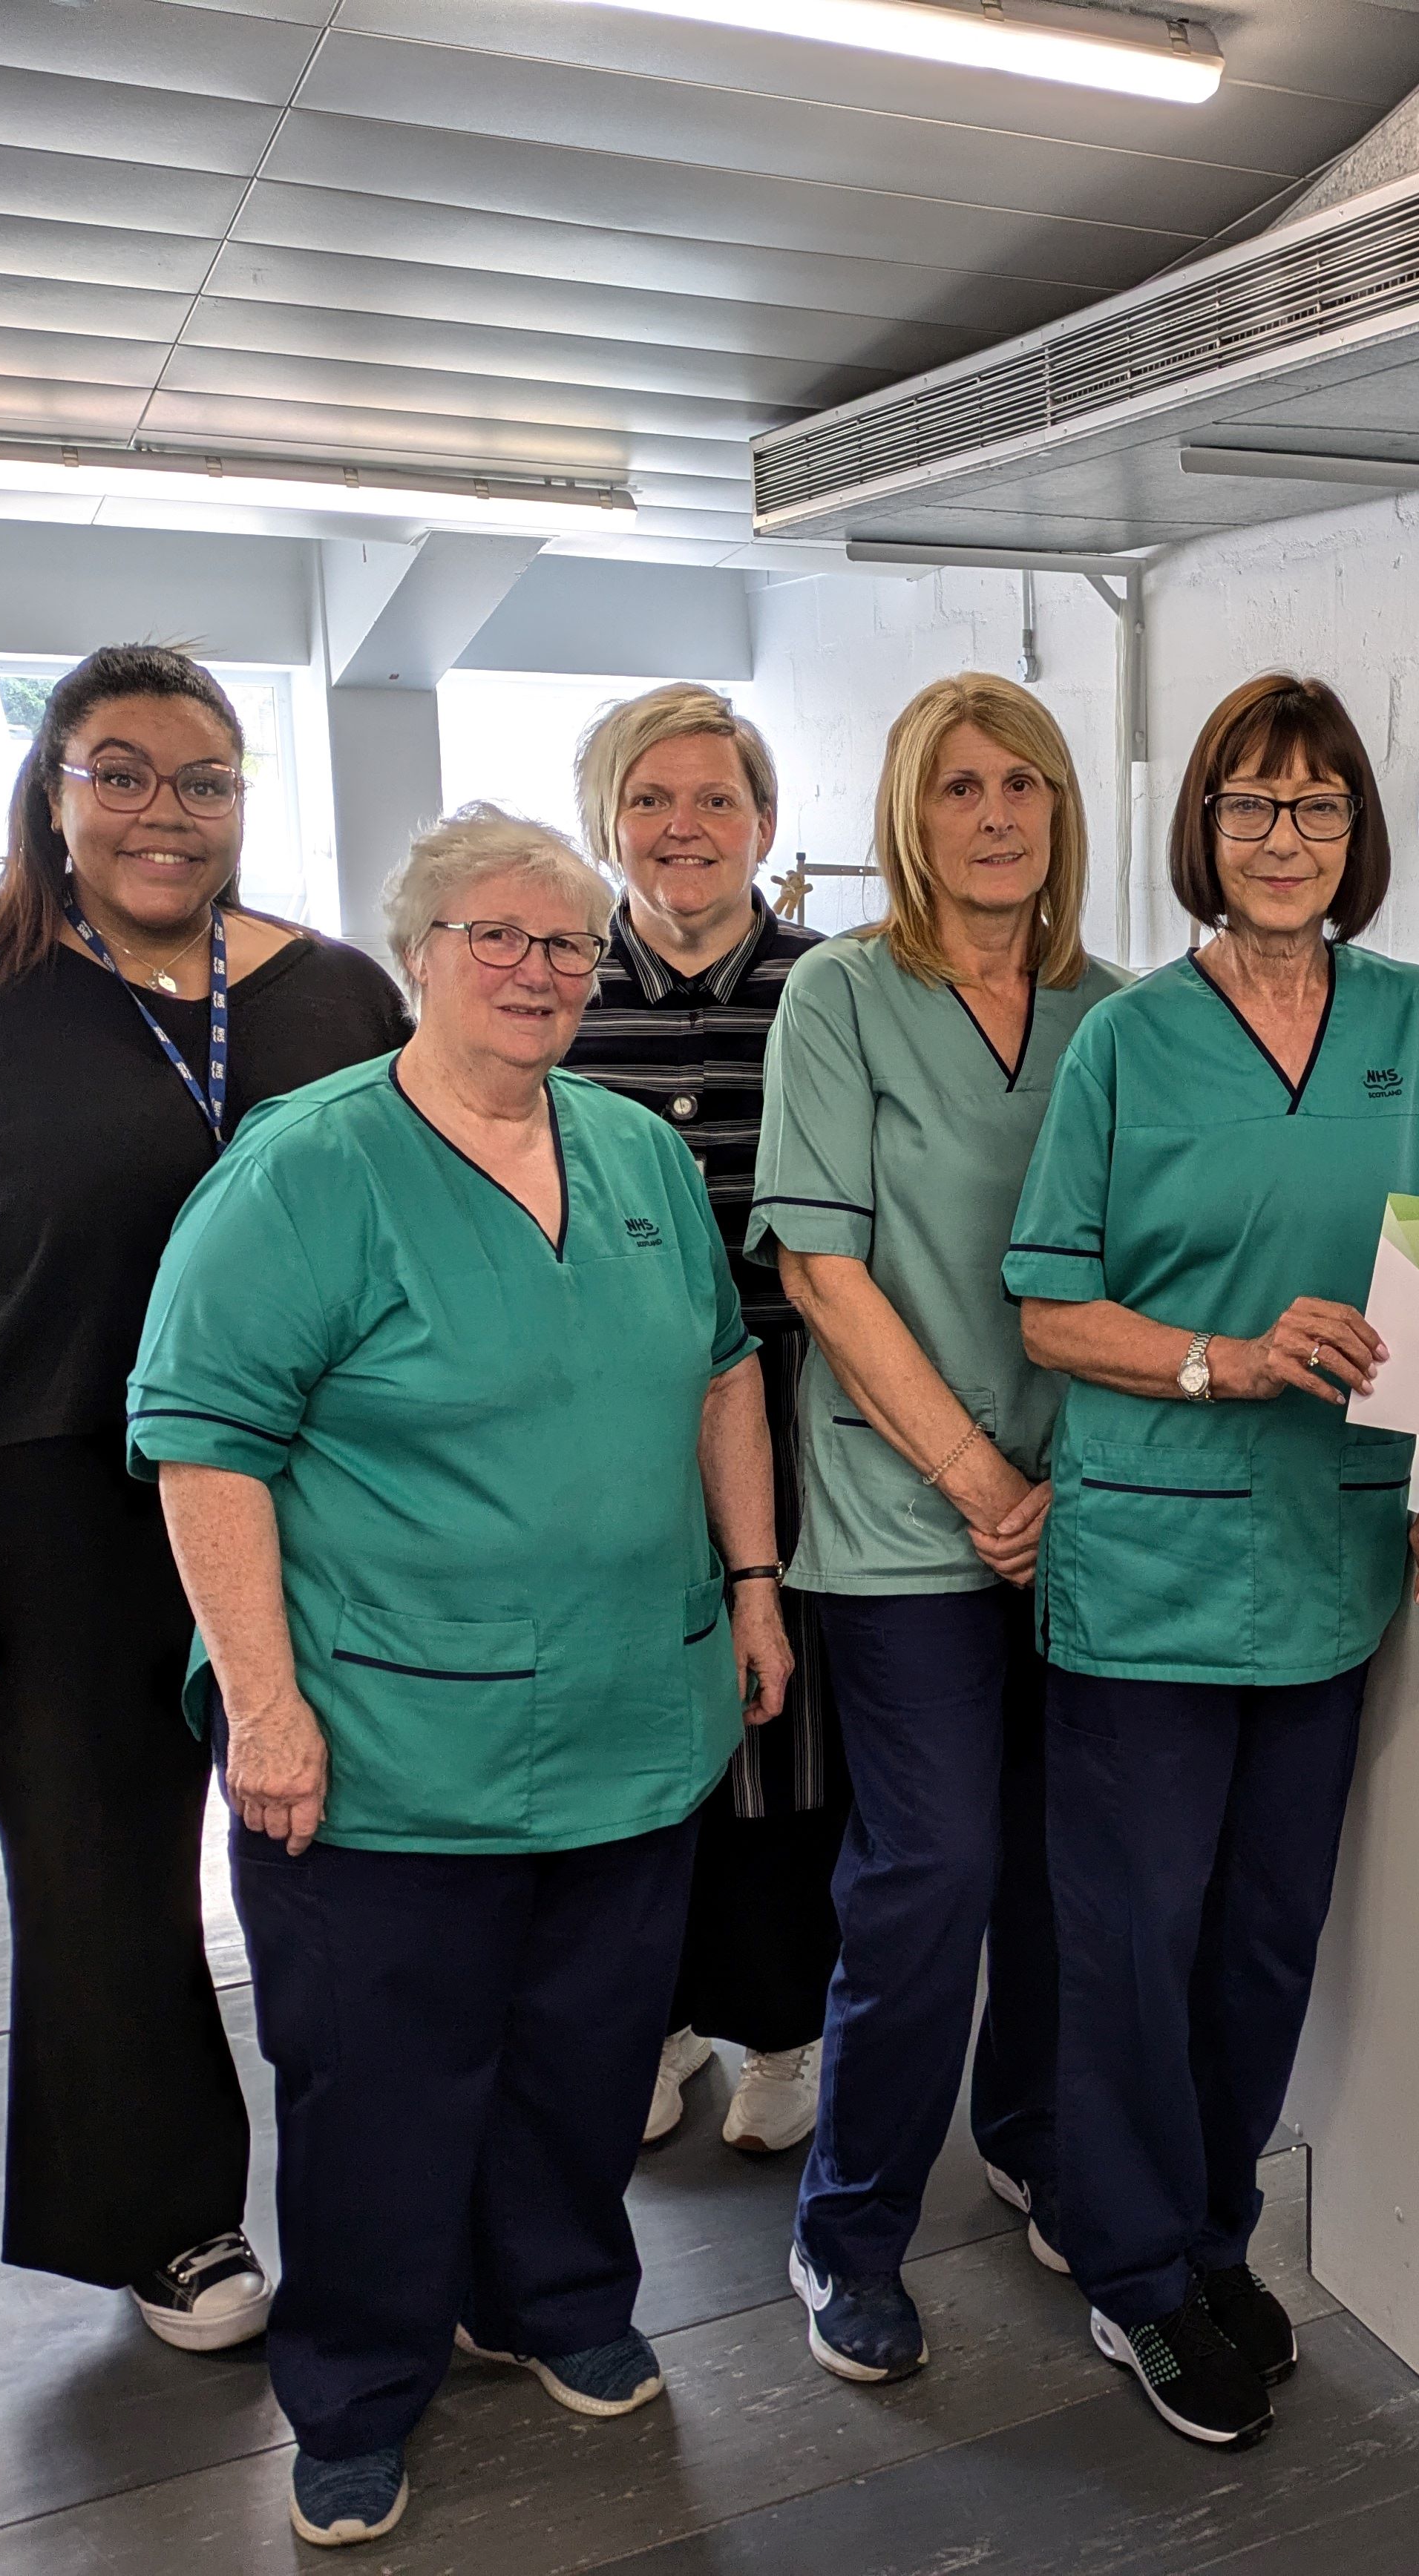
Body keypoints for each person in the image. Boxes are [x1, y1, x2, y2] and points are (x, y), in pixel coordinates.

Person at [128, 806, 792, 2549]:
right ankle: (353, 2386)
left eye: (565, 944)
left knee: (584, 2055)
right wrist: (261, 1701)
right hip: (385, 1736)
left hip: (625, 1717)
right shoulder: (308, 1166)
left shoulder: (633, 1152)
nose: (534, 969)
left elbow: (723, 1371)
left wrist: (752, 1580)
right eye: (492, 936)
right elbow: (204, 1445)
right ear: (415, 950)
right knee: (377, 2079)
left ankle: (557, 2299)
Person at [0, 644, 409, 2355]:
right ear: (52, 793)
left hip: (312, 1502)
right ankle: (164, 2213)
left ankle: (404, 2187)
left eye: (203, 779)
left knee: (347, 1853)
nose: (163, 811)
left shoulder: (340, 994)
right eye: (119, 771)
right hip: (43, 1503)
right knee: (94, 1871)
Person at [1006, 671, 1419, 2452]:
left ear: (1357, 832)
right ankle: (1132, 2270)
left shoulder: (1416, 1020)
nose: (1283, 837)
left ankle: (1210, 2230)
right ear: (1201, 830)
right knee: (1132, 1940)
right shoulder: (1128, 1041)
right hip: (1150, 1565)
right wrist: (1218, 1356)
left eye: (1315, 806)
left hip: (1324, 1557)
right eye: (1248, 805)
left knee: (1259, 1940)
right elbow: (1049, 1306)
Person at [750, 673, 1128, 2385]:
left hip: (1091, 1514)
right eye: (960, 786)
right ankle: (845, 2227)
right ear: (912, 813)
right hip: (908, 1511)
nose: (995, 815)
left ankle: (1032, 2134)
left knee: (1065, 1860)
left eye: (1024, 787)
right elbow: (821, 1269)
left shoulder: (1114, 1011)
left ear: (1060, 813)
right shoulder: (839, 994)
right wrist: (981, 1483)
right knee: (932, 1870)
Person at [563, 683, 838, 2159]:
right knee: (633, 1723)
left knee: (783, 1727)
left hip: (796, 1409)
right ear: (606, 822)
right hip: (605, 1424)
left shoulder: (830, 988)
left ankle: (784, 2023)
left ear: (764, 824)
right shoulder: (552, 990)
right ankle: (655, 2016)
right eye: (651, 799)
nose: (684, 827)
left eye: (715, 800)